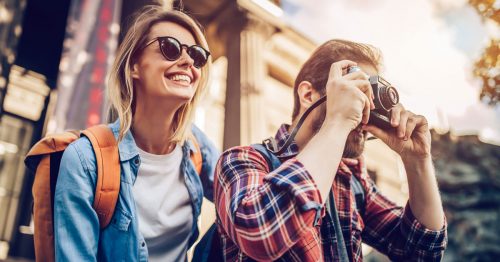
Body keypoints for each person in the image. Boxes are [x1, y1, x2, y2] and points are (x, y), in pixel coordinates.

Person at [213, 39, 447, 261]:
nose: (365, 108)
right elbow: (261, 233)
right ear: (308, 94)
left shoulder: (353, 182)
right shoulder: (243, 160)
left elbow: (420, 252)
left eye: (370, 97)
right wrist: (338, 121)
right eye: (357, 92)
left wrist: (417, 161)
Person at [54, 5, 219, 261]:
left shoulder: (198, 148)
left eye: (197, 56)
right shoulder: (85, 159)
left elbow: (249, 209)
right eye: (170, 48)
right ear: (134, 67)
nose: (188, 62)